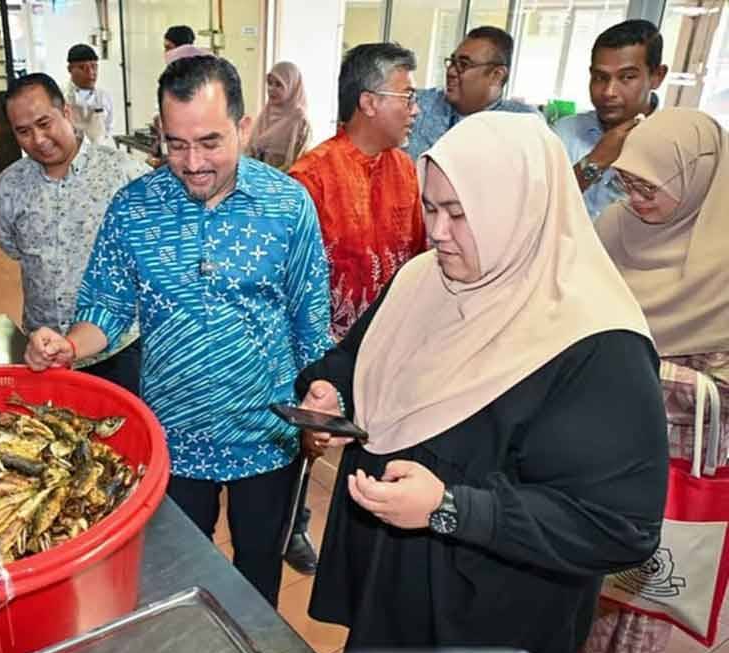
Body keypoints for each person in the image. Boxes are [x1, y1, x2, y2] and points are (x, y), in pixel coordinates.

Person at [295, 112, 668, 653]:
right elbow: (360, 355)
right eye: (430, 208)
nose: (438, 232)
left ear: (520, 214)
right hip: (393, 580)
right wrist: (331, 388)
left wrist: (450, 507)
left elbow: (618, 525)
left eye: (460, 214)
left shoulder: (596, 343)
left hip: (492, 614)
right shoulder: (424, 279)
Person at [23, 55, 332, 606]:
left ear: (243, 127)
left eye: (210, 142)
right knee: (176, 575)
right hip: (173, 436)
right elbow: (107, 308)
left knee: (258, 569)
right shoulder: (133, 208)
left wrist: (322, 397)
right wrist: (69, 344)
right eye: (176, 144)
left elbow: (310, 323)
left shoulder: (288, 206)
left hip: (268, 434)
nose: (192, 163)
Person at [578, 108, 729, 653]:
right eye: (628, 181)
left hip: (675, 462)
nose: (635, 198)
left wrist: (638, 370)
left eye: (650, 186)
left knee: (643, 596)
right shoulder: (616, 226)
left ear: (695, 179)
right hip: (597, 441)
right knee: (581, 575)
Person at [286, 42, 427, 574]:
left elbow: (417, 257)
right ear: (369, 102)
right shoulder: (311, 178)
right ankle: (293, 523)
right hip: (323, 347)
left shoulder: (407, 171)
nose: (415, 109)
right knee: (308, 446)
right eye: (406, 96)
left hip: (389, 341)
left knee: (379, 449)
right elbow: (294, 281)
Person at [0, 73, 149, 395]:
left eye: (44, 123)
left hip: (118, 349)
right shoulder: (10, 186)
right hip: (43, 350)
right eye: (23, 131)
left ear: (66, 112)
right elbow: (11, 246)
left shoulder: (125, 174)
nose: (38, 139)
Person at [554, 19, 668, 221]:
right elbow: (540, 206)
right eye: (600, 77)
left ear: (657, 76)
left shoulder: (675, 144)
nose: (608, 92)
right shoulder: (565, 131)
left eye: (627, 77)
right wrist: (594, 162)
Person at [404, 26, 537, 160]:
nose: (450, 72)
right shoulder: (418, 105)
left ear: (496, 75)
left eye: (463, 64)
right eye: (452, 62)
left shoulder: (524, 123)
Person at [245, 61, 311, 172]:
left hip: (281, 184)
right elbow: (251, 151)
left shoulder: (299, 121)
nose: (271, 89)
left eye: (278, 84)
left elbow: (297, 164)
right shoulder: (265, 114)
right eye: (270, 83)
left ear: (292, 86)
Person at [64, 44, 113, 140]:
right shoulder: (60, 97)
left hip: (99, 152)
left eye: (94, 67)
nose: (90, 73)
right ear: (70, 69)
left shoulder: (104, 97)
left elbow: (108, 128)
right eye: (83, 68)